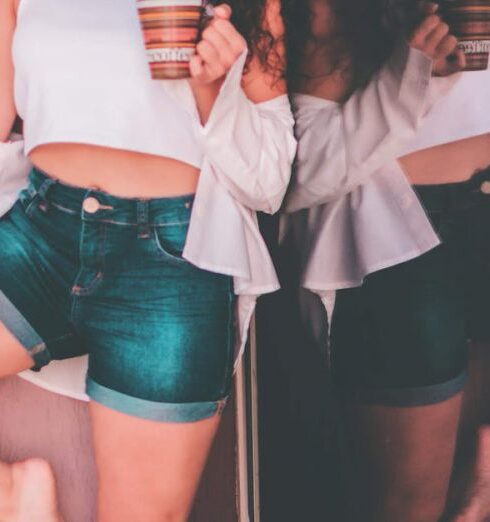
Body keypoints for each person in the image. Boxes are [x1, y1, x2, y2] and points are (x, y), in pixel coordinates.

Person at [0, 0, 296, 520]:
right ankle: (16, 499)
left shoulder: (250, 8)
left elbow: (270, 185)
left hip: (172, 261)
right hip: (43, 231)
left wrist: (211, 93)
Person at [283, 0, 490, 520]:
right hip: (398, 234)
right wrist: (409, 75)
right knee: (409, 506)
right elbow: (299, 174)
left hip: (479, 206)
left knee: (475, 486)